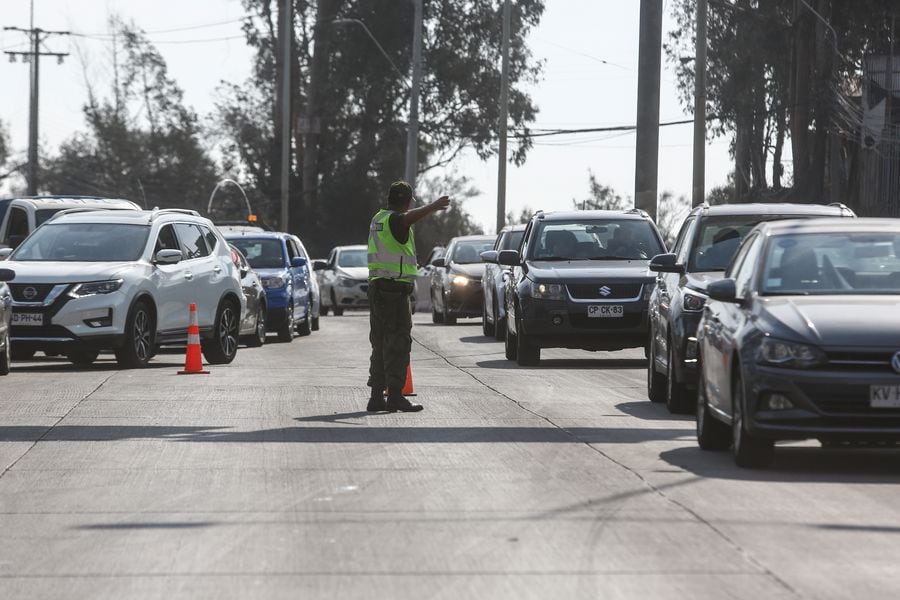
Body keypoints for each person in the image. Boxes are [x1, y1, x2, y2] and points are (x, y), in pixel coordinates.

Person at [367, 181, 450, 412]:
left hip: (379, 288)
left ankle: (376, 397)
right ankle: (394, 396)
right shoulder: (394, 220)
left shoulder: (378, 219)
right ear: (406, 201)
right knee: (398, 344)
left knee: (381, 344)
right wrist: (432, 206)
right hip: (393, 291)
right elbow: (406, 219)